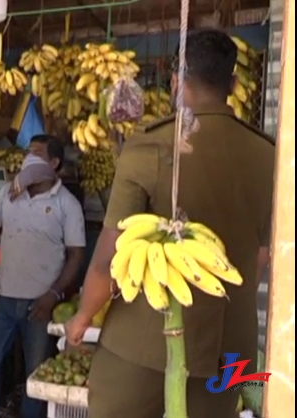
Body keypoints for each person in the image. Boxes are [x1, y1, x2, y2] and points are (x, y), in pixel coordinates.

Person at [65, 29, 274, 418]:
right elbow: (261, 257)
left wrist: (81, 317)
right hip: (231, 348)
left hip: (143, 342)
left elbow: (109, 257)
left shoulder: (151, 143)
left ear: (177, 80)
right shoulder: (269, 155)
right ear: (233, 83)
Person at [0, 153, 86, 418]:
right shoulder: (7, 194)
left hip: (41, 304)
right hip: (2, 298)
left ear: (53, 165)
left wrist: (53, 295)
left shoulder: (66, 203)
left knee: (36, 374)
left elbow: (76, 255)